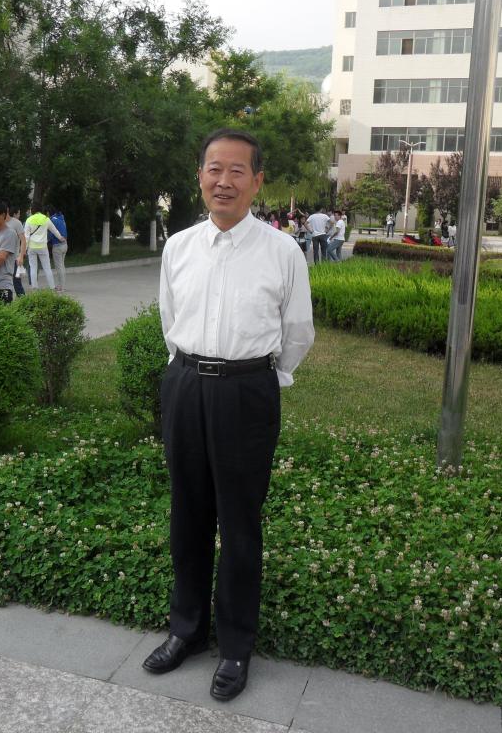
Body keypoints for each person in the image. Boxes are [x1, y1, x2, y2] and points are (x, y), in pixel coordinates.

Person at [144, 128, 315, 702]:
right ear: (200, 176)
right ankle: (187, 629)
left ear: (257, 182)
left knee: (240, 523)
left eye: (237, 170)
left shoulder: (282, 251)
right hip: (186, 385)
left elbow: (297, 331)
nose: (224, 181)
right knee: (187, 514)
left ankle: (236, 646)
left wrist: (262, 380)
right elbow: (170, 317)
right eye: (214, 169)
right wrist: (188, 371)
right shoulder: (179, 247)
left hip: (247, 392)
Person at [24, 205, 65, 290]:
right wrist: (60, 238)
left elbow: (26, 236)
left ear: (32, 210)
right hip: (43, 247)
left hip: (32, 247)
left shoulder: (29, 220)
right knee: (47, 268)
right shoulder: (46, 219)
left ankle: (35, 287)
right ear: (40, 210)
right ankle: (52, 287)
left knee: (33, 268)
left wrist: (25, 249)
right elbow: (54, 230)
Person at [5, 206, 28, 297]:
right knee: (4, 283)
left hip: (14, 258)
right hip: (1, 258)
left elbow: (23, 240)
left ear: (7, 209)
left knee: (16, 282)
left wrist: (21, 256)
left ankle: (24, 301)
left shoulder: (16, 223)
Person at [49, 208, 69, 293]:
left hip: (57, 246)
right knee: (62, 266)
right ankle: (61, 285)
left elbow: (51, 234)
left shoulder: (52, 220)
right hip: (65, 245)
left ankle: (61, 287)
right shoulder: (61, 218)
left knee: (59, 267)